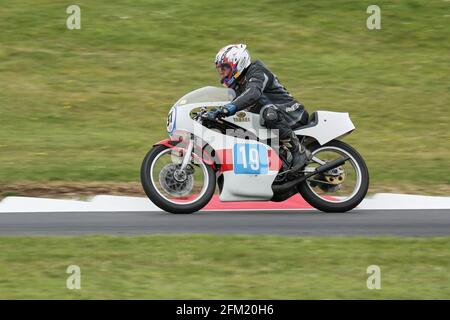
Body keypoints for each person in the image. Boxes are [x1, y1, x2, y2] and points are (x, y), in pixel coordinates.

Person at [207, 44, 309, 172]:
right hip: (272, 123)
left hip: (292, 114)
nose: (221, 72)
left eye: (225, 67)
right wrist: (214, 112)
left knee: (268, 113)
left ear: (239, 62)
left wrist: (228, 108)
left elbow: (253, 93)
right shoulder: (236, 87)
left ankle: (298, 151)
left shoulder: (257, 71)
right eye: (219, 68)